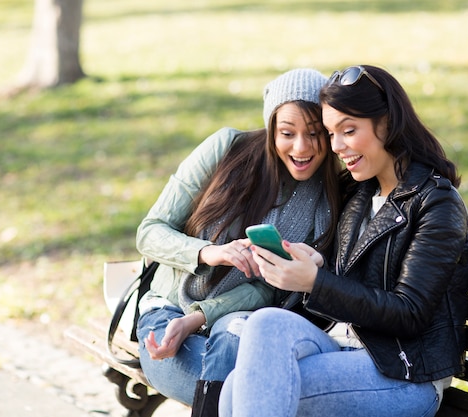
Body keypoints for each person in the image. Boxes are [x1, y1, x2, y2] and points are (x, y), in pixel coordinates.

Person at [219, 65, 468, 417]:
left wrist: (316, 282)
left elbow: (410, 314)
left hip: (404, 374)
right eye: (331, 133)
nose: (337, 146)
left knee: (252, 386)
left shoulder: (436, 203)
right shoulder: (357, 194)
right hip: (344, 348)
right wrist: (318, 266)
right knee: (262, 328)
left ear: (386, 123)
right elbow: (355, 285)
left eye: (349, 131)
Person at [135, 68, 344, 416]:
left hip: (236, 322)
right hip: (168, 311)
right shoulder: (226, 149)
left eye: (314, 133)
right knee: (245, 389)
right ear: (271, 130)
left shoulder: (325, 203)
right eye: (287, 133)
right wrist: (208, 253)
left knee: (240, 373)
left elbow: (269, 290)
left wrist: (200, 318)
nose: (302, 147)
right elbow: (150, 231)